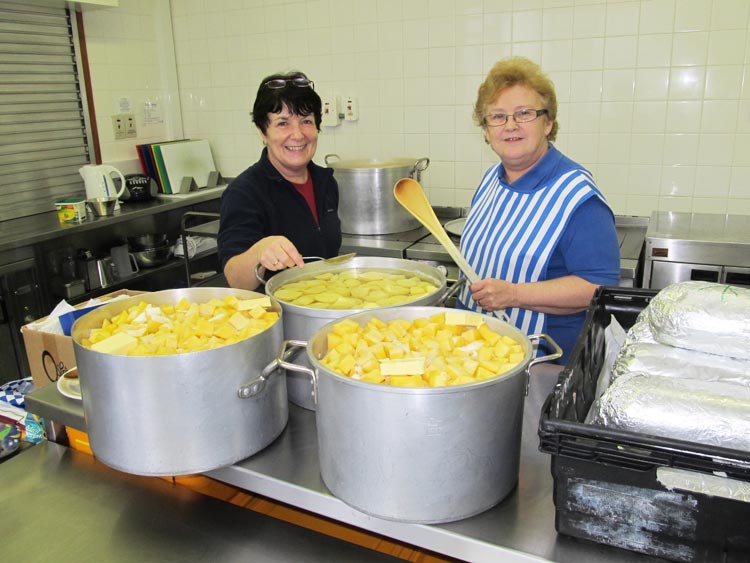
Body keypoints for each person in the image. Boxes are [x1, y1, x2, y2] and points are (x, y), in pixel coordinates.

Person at [456, 57, 620, 364]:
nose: (511, 125)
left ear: (548, 123)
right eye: (498, 116)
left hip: (542, 362)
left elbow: (597, 288)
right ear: (487, 131)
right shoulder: (491, 179)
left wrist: (515, 294)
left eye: (524, 114)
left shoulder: (577, 196)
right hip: (476, 355)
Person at [218, 71, 341, 290]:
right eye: (283, 123)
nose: (297, 134)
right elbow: (236, 280)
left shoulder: (325, 182)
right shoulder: (245, 192)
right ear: (263, 132)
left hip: (320, 310)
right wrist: (260, 250)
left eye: (306, 121)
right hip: (275, 317)